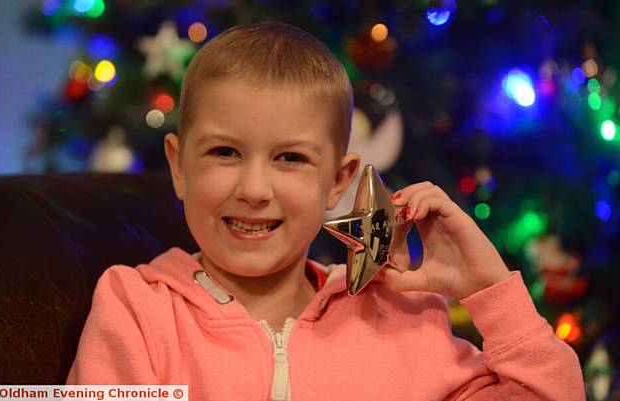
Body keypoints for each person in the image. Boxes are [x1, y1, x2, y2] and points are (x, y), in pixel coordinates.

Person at [67, 21, 585, 400]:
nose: (253, 188)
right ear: (179, 168)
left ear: (338, 181)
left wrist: (489, 290)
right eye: (224, 152)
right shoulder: (138, 308)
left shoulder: (402, 321)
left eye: (290, 158)